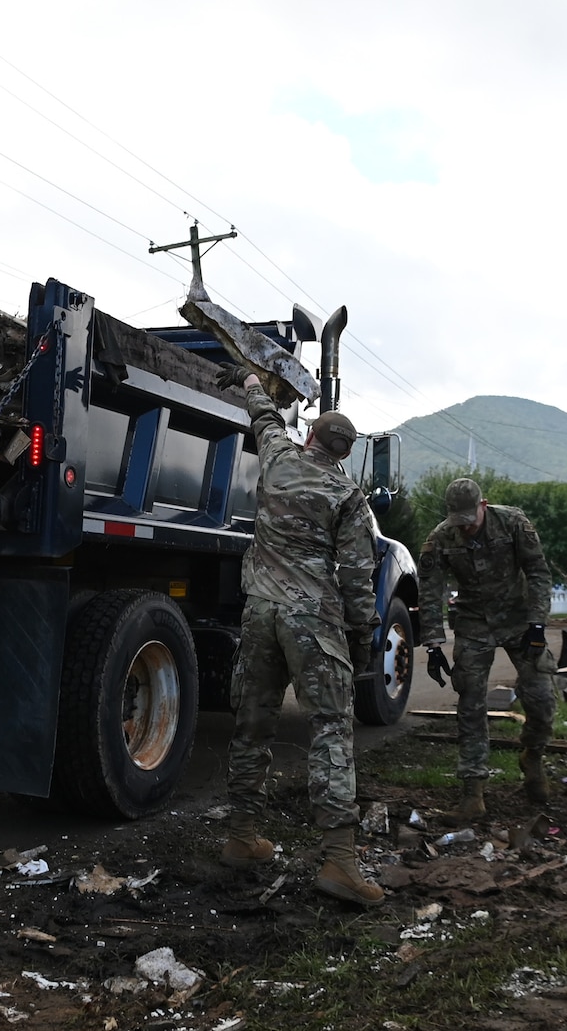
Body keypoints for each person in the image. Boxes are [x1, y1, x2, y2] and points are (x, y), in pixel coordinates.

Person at [219, 367, 385, 906]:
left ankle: (242, 837)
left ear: (311, 436)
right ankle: (339, 861)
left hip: (260, 611)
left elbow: (264, 416)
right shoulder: (348, 494)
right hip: (312, 620)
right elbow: (359, 576)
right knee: (332, 731)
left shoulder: (278, 457)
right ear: (343, 452)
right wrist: (363, 634)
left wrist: (249, 379)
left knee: (252, 725)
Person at [419, 477, 558, 821]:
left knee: (541, 697)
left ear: (483, 506)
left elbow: (538, 572)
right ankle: (473, 792)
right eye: (459, 522)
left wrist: (538, 623)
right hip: (473, 621)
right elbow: (430, 590)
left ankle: (533, 755)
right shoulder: (440, 538)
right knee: (470, 704)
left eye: (470, 520)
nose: (465, 528)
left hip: (518, 617)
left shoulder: (513, 523)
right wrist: (434, 643)